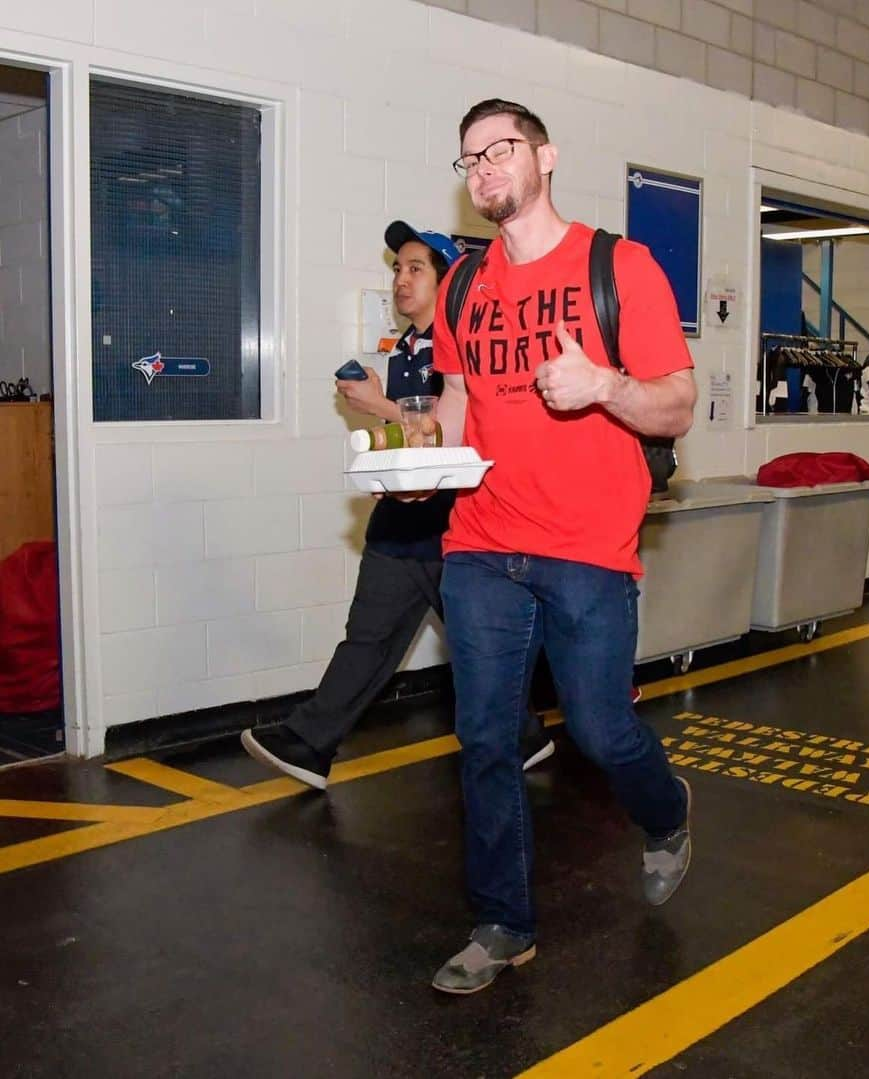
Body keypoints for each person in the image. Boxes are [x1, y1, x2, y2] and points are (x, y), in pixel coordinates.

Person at [428, 99, 697, 995]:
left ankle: (665, 814)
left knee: (599, 728)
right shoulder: (463, 286)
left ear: (546, 154)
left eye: (500, 148)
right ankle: (503, 921)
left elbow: (676, 405)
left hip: (587, 545)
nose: (484, 167)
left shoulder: (619, 266)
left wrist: (602, 384)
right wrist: (418, 455)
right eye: (469, 158)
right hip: (481, 543)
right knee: (486, 739)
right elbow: (457, 409)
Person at [241, 221, 554, 790]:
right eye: (396, 268)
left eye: (416, 269)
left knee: (475, 644)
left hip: (453, 526)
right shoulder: (406, 348)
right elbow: (410, 436)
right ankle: (310, 745)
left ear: (447, 280)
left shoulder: (464, 351)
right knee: (369, 636)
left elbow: (451, 433)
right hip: (401, 523)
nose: (401, 279)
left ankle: (525, 735)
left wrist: (380, 403)